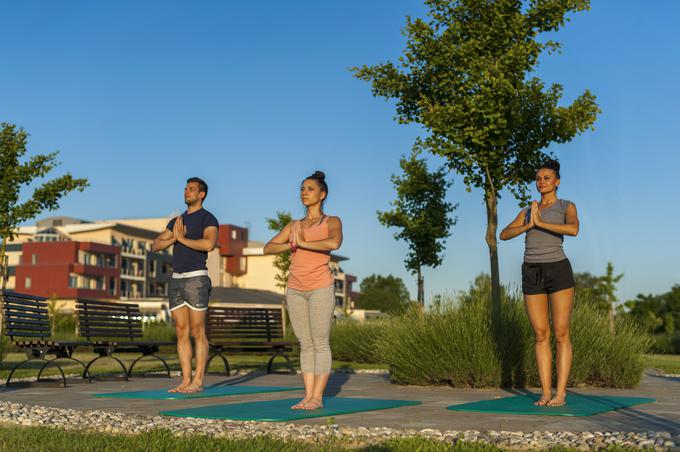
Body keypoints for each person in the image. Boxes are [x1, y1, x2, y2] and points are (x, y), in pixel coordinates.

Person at [500, 159, 579, 407]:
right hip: (531, 270)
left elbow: (574, 229)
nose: (541, 181)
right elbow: (503, 234)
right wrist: (528, 224)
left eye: (546, 178)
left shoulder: (566, 205)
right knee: (540, 333)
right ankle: (545, 393)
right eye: (538, 178)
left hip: (558, 269)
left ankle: (561, 393)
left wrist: (541, 223)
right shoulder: (527, 211)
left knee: (561, 333)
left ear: (556, 182)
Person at [264, 171, 343, 410]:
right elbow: (268, 248)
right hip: (295, 288)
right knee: (305, 343)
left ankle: (318, 397)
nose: (304, 193)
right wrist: (290, 244)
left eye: (309, 189)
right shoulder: (294, 226)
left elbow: (333, 243)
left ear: (322, 194)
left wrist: (303, 243)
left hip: (320, 287)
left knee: (320, 341)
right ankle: (308, 396)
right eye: (302, 189)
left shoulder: (331, 221)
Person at [152, 177, 218, 393]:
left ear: (202, 194)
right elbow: (156, 245)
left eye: (191, 189)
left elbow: (209, 243)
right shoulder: (177, 221)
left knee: (198, 331)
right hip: (177, 279)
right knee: (181, 331)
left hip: (196, 278)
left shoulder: (207, 218)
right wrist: (175, 238)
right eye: (185, 188)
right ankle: (185, 380)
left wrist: (183, 239)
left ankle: (198, 382)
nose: (186, 192)